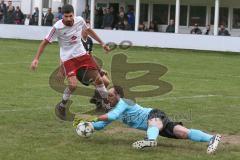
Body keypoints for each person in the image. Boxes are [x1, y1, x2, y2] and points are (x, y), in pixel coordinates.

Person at [75, 86, 221, 154]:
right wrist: (90, 126)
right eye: (107, 96)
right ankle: (212, 138)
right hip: (155, 125)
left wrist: (89, 117)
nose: (108, 98)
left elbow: (111, 117)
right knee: (182, 133)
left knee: (153, 124)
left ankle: (151, 140)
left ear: (119, 95)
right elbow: (102, 124)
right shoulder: (113, 109)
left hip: (154, 115)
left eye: (111, 95)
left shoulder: (124, 102)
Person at [30, 4, 111, 120]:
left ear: (74, 15)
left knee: (99, 79)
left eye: (70, 16)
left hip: (82, 55)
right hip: (68, 59)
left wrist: (103, 43)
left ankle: (107, 106)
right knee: (73, 85)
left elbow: (89, 31)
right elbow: (44, 42)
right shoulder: (57, 27)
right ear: (62, 16)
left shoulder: (80, 21)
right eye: (66, 16)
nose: (68, 19)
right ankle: (62, 105)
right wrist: (36, 59)